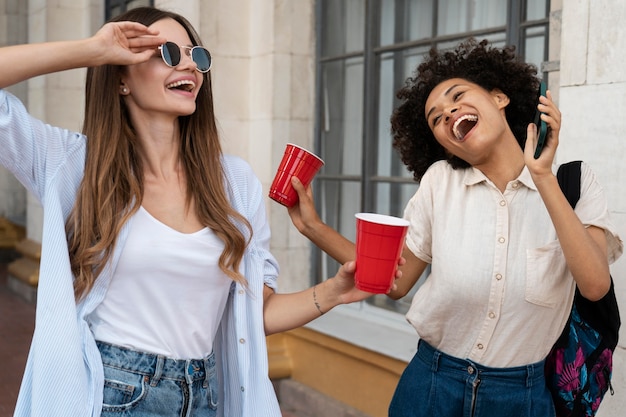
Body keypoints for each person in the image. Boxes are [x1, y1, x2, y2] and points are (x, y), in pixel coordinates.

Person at [0, 6, 381, 417]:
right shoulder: (75, 165)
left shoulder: (233, 183)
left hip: (205, 396)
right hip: (113, 393)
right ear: (121, 78)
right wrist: (92, 49)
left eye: (196, 54)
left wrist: (334, 293)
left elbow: (253, 315)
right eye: (166, 52)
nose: (189, 65)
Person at [287, 38, 623, 417]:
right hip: (432, 384)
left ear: (499, 97)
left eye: (457, 96)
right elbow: (394, 283)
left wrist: (542, 177)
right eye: (435, 118)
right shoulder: (440, 182)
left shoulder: (574, 183)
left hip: (521, 398)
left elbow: (595, 285)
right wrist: (313, 227)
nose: (448, 113)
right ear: (446, 145)